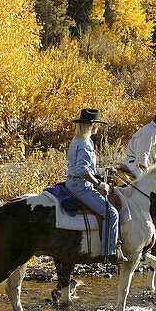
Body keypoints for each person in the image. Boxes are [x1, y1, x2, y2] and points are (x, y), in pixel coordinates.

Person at [66, 108, 123, 265]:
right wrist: (99, 184)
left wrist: (103, 171)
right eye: (96, 123)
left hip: (72, 181)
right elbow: (82, 170)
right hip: (81, 186)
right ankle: (108, 253)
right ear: (91, 125)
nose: (98, 126)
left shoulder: (81, 140)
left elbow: (85, 168)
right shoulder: (85, 143)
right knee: (111, 213)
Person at [122, 105, 156, 179]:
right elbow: (142, 156)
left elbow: (153, 154)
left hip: (136, 164)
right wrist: (147, 174)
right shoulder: (150, 131)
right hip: (135, 165)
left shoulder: (153, 131)